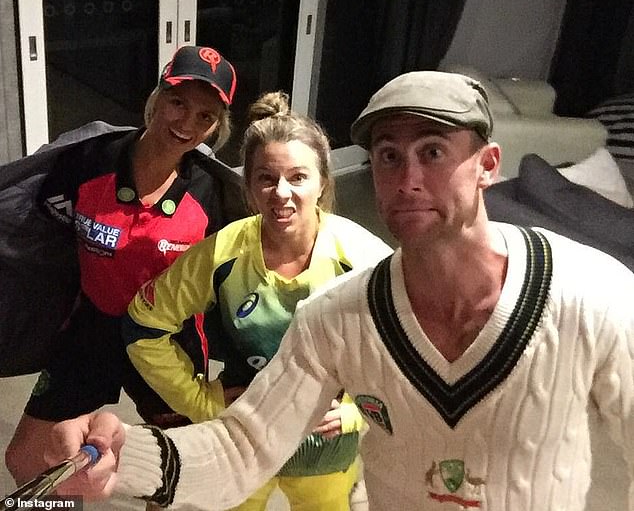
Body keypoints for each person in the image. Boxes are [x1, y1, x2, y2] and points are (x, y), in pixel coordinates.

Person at [45, 71, 634, 511]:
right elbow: (245, 445)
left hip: (329, 472)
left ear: (488, 164)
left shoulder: (595, 294)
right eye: (387, 156)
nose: (407, 180)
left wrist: (350, 416)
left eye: (433, 152)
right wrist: (129, 454)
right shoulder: (336, 315)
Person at [121, 91, 393, 510]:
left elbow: (407, 349)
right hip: (243, 444)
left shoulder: (362, 257)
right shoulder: (224, 252)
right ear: (248, 185)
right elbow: (143, 324)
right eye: (266, 178)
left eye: (298, 177)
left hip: (324, 455)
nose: (280, 192)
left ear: (322, 182)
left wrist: (360, 410)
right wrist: (201, 402)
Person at [5, 45, 239, 485]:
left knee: (176, 477)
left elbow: (247, 279)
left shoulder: (213, 195)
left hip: (167, 343)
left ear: (216, 128)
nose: (187, 123)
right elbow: (34, 229)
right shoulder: (89, 161)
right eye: (178, 103)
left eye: (205, 116)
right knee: (25, 459)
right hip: (92, 328)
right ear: (155, 98)